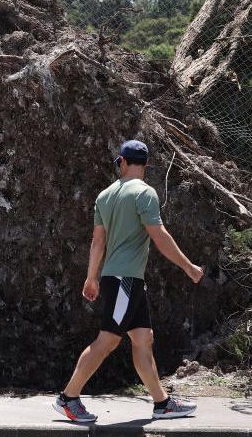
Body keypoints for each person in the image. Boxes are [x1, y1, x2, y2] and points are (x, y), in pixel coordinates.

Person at [53, 139, 204, 423]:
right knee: (107, 340)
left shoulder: (105, 195)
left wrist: (91, 278)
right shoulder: (144, 193)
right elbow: (158, 235)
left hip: (121, 279)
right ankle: (68, 398)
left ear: (122, 162)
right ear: (145, 165)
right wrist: (188, 266)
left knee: (143, 339)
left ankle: (162, 404)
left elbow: (98, 242)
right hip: (125, 281)